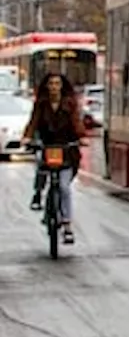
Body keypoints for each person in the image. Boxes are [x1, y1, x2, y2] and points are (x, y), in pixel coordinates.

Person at [21, 73, 86, 244]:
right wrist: (28, 137)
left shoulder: (70, 104)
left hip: (66, 148)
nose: (54, 87)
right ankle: (37, 194)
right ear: (47, 86)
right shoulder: (41, 104)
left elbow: (76, 122)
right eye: (51, 84)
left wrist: (81, 137)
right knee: (41, 166)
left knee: (64, 187)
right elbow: (33, 122)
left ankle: (67, 226)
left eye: (57, 84)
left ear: (62, 86)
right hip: (47, 145)